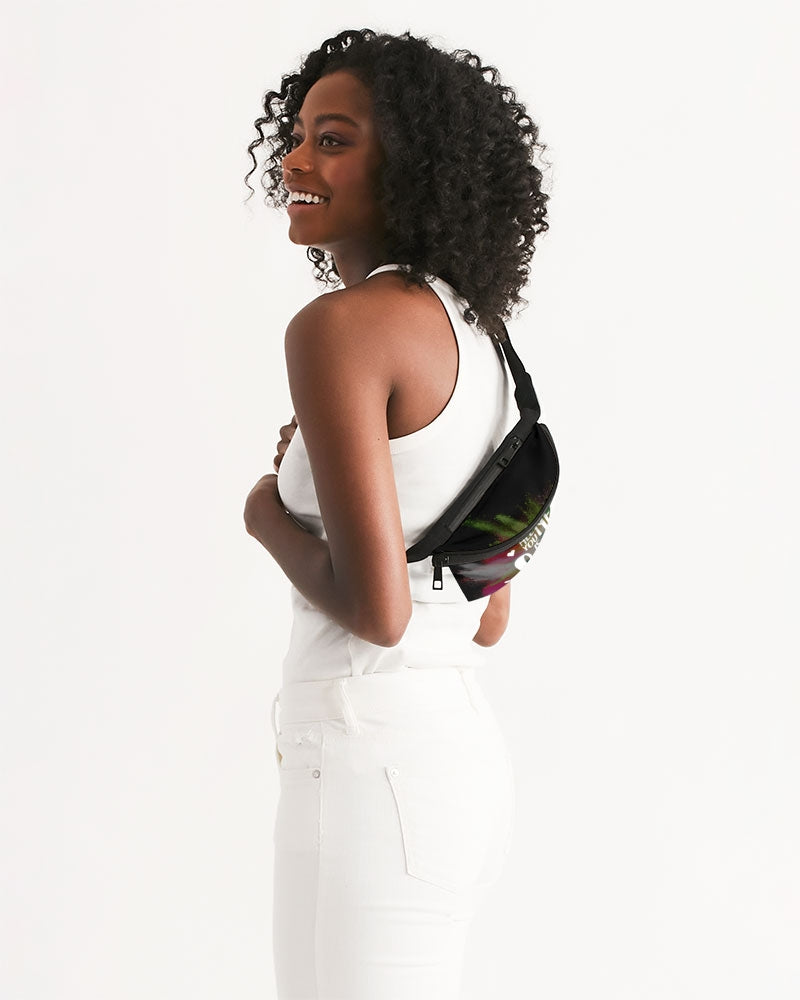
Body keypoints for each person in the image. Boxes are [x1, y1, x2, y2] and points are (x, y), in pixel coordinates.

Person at [242, 28, 550, 1000]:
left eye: (332, 140)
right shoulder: (481, 341)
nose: (296, 160)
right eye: (296, 136)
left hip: (367, 761)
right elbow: (485, 614)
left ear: (408, 162)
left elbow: (380, 612)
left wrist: (265, 511)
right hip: (453, 762)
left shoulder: (339, 329)